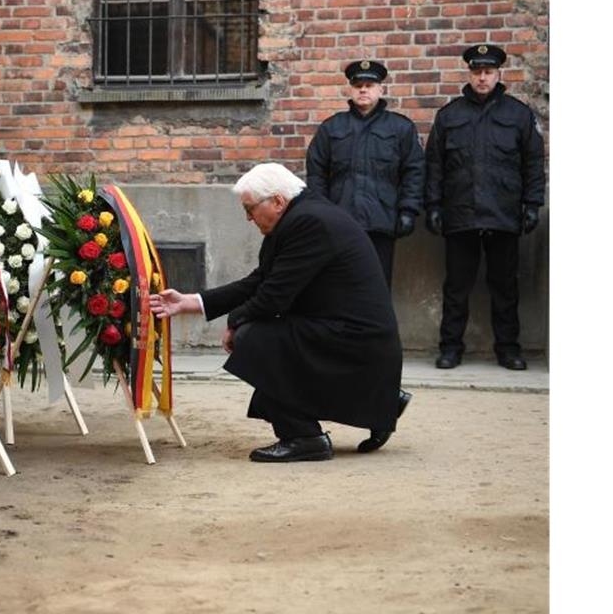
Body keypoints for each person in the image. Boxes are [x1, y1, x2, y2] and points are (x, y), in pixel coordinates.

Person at [150, 163, 409, 461]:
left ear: (277, 201)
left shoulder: (308, 222)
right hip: (346, 333)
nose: (248, 218)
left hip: (356, 340)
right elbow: (260, 280)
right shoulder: (300, 216)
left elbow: (274, 297)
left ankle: (305, 437)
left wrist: (236, 323)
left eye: (249, 209)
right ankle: (378, 399)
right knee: (263, 339)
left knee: (254, 339)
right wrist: (190, 302)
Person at [423, 44, 546, 370]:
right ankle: (451, 348)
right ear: (470, 73)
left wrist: (532, 204)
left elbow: (533, 164)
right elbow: (434, 164)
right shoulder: (449, 116)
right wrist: (433, 205)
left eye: (488, 72)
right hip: (460, 213)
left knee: (505, 288)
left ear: (497, 74)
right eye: (477, 72)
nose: (482, 77)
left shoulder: (518, 115)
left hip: (503, 214)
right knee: (456, 288)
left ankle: (508, 349)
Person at [305, 59, 425, 286]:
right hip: (341, 222)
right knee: (340, 286)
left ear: (381, 88)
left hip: (382, 221)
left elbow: (414, 171)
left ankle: (377, 324)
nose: (363, 90)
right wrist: (322, 212)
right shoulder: (332, 127)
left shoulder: (400, 128)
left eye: (369, 85)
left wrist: (408, 210)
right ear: (350, 89)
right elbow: (316, 172)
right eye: (358, 85)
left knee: (377, 286)